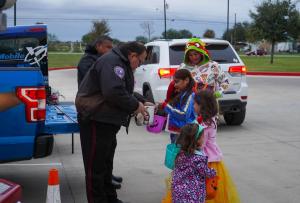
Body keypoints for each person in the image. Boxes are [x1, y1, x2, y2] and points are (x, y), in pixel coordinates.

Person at [76, 41, 148, 203]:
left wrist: (142, 100)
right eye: (140, 61)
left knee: (106, 165)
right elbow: (113, 91)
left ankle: (110, 198)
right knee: (95, 167)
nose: (139, 65)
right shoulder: (112, 62)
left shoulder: (120, 62)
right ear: (132, 55)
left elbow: (123, 90)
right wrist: (135, 106)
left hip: (107, 120)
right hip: (96, 118)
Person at [77, 36, 124, 189]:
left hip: (104, 112)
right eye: (108, 47)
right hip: (94, 112)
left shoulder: (102, 60)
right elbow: (97, 86)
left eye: (112, 47)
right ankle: (101, 181)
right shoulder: (88, 61)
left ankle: (107, 176)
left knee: (109, 148)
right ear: (98, 46)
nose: (111, 50)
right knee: (98, 155)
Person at [194, 90, 241, 203]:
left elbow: (200, 145)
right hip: (212, 159)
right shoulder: (211, 118)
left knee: (205, 188)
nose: (193, 106)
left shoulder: (205, 125)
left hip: (205, 159)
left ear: (202, 106)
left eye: (195, 104)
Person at [172, 123, 216, 203]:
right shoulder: (198, 159)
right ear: (197, 140)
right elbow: (205, 172)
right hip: (193, 194)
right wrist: (213, 171)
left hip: (178, 192)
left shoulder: (180, 155)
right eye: (203, 136)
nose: (204, 138)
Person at [161, 69, 197, 143]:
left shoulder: (190, 95)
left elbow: (184, 114)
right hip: (177, 131)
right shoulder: (182, 94)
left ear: (186, 80)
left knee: (181, 153)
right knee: (174, 153)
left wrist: (166, 106)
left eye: (177, 82)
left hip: (184, 132)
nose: (175, 85)